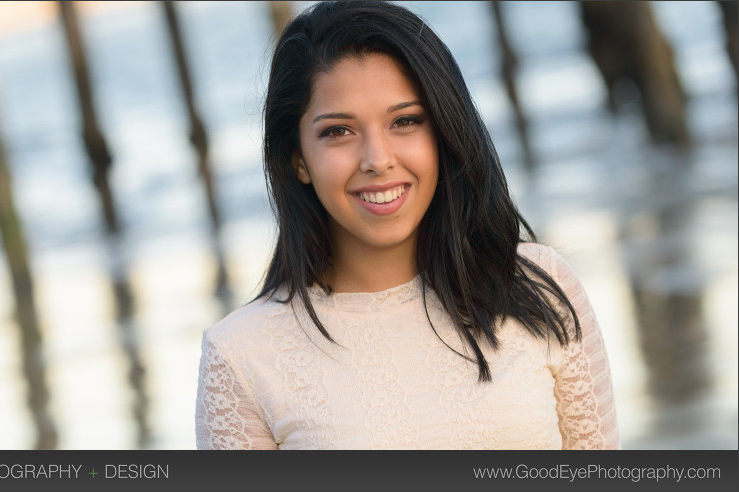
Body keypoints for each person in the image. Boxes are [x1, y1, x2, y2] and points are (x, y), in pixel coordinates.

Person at [195, 1, 620, 449]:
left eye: (406, 121)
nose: (378, 160)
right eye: (338, 131)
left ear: (443, 131)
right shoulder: (242, 357)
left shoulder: (540, 288)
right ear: (297, 159)